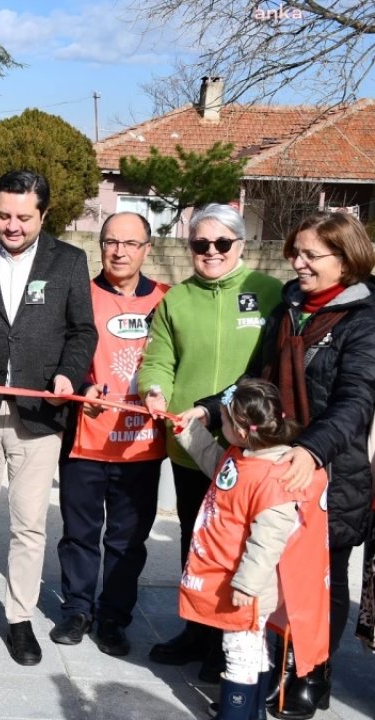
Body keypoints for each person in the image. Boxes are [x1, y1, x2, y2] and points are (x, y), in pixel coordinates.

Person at [185, 211, 375, 718]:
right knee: (274, 571)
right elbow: (256, 379)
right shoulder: (289, 306)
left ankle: (314, 672)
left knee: (320, 576)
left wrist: (311, 450)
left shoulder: (364, 317)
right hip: (271, 462)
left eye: (312, 255)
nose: (298, 262)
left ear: (346, 259)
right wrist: (208, 407)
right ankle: (273, 664)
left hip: (327, 468)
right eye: (297, 252)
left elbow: (356, 400)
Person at [0, 170, 97, 666]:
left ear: (44, 215)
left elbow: (82, 333)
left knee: (29, 524)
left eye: (23, 217)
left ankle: (20, 618)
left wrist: (68, 377)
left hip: (40, 413)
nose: (11, 225)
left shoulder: (68, 262)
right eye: (3, 215)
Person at [137, 203, 283, 680]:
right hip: (191, 445)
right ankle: (197, 629)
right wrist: (154, 390)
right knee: (197, 542)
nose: (212, 252)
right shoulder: (176, 300)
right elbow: (157, 360)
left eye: (222, 243)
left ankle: (234, 640)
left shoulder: (270, 293)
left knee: (248, 548)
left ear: (241, 245)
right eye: (201, 244)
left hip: (254, 450)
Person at [50, 212, 169, 657]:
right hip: (86, 438)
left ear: (147, 249)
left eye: (130, 243)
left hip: (141, 443)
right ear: (100, 246)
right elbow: (60, 353)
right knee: (80, 533)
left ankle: (114, 617)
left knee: (127, 540)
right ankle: (77, 610)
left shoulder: (166, 298)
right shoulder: (79, 295)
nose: (119, 251)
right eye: (110, 242)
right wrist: (82, 386)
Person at [175, 379, 329, 720]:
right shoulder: (244, 455)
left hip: (249, 587)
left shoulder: (274, 477)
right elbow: (221, 469)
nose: (221, 427)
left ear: (243, 431)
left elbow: (269, 539)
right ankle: (254, 711)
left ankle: (237, 712)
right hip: (236, 577)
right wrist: (189, 432)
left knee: (240, 652)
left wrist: (247, 583)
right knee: (252, 648)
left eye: (224, 423)